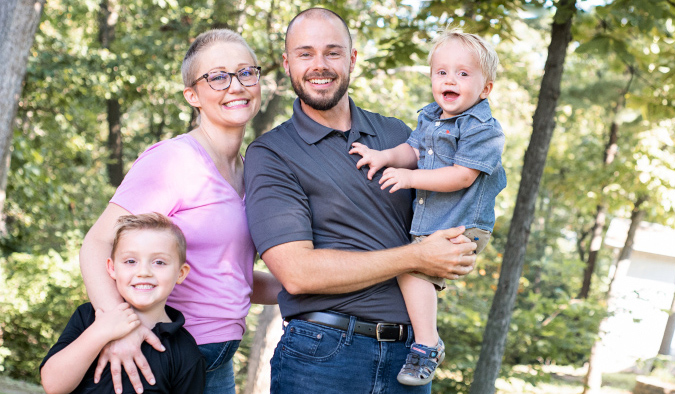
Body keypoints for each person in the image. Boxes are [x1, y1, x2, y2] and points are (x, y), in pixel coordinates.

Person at [244, 8, 478, 393]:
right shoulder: (272, 153)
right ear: (287, 64)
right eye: (305, 54)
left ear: (352, 59)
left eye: (333, 52)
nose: (320, 65)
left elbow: (441, 213)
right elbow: (297, 273)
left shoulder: (399, 135)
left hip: (411, 357)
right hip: (323, 357)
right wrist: (417, 257)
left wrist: (458, 243)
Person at [79, 29, 280, 394]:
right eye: (217, 77)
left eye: (246, 72)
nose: (235, 86)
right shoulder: (173, 161)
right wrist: (118, 329)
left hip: (218, 359)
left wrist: (315, 286)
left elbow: (231, 276)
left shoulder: (251, 173)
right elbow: (96, 245)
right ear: (193, 96)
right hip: (163, 353)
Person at [348, 27, 507, 385]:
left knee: (411, 268)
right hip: (435, 219)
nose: (450, 79)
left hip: (463, 223)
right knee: (409, 266)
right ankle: (425, 339)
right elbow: (413, 150)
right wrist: (383, 157)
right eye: (442, 72)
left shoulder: (485, 129)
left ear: (485, 89)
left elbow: (462, 177)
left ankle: (426, 343)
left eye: (463, 74)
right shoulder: (431, 117)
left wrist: (409, 179)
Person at [41, 213, 205, 394]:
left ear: (181, 273)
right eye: (131, 261)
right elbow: (52, 385)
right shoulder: (89, 316)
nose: (144, 272)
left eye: (159, 262)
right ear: (112, 268)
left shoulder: (185, 352)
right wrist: (101, 331)